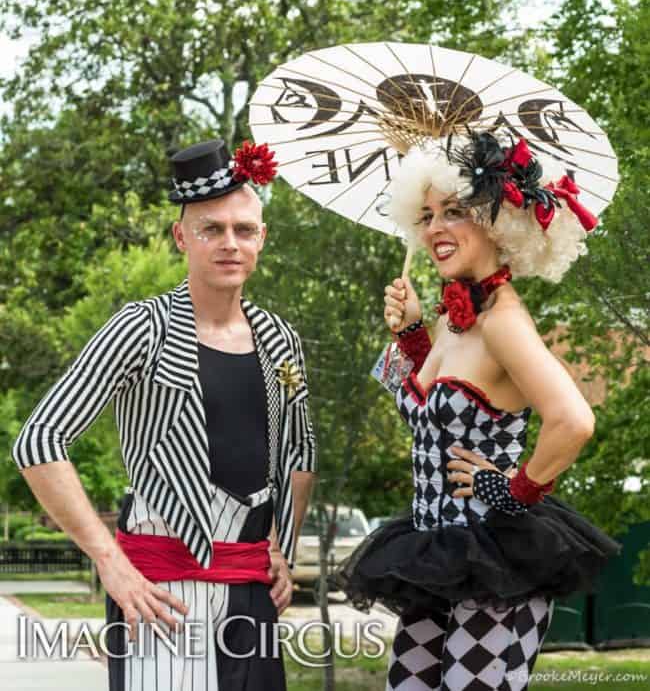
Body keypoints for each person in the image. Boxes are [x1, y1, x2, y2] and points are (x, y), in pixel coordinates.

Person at [12, 138, 317, 690]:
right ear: (182, 236)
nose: (230, 243)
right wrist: (110, 561)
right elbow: (38, 441)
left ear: (262, 239)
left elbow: (300, 451)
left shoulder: (280, 340)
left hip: (252, 590)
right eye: (211, 229)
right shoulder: (141, 328)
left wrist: (282, 548)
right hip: (160, 593)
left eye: (244, 230)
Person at [331, 130, 620, 691]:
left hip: (493, 563)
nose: (436, 228)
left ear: (495, 221)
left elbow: (574, 421)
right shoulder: (454, 319)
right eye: (429, 213)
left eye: (456, 211)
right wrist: (414, 332)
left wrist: (513, 491)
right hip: (435, 555)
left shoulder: (503, 321)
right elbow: (431, 412)